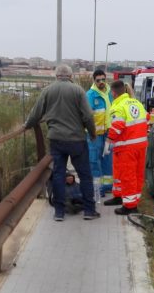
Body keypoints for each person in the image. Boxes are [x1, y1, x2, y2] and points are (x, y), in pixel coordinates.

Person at [25, 64, 100, 221]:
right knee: (85, 175)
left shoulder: (48, 90)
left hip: (56, 140)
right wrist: (92, 133)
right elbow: (87, 116)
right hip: (77, 140)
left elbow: (36, 113)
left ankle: (59, 212)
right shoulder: (78, 91)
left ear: (56, 76)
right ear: (71, 76)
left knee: (58, 174)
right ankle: (89, 210)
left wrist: (27, 125)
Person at [102, 79, 148, 215]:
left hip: (127, 147)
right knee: (134, 174)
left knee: (128, 175)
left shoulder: (117, 107)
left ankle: (129, 206)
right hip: (140, 145)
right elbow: (147, 117)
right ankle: (120, 196)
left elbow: (117, 126)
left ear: (114, 93)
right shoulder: (137, 103)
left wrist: (108, 141)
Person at [86, 69, 113, 200]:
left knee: (107, 159)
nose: (101, 82)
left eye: (103, 79)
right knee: (94, 161)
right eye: (98, 80)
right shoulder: (90, 95)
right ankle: (98, 189)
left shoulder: (109, 93)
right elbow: (87, 115)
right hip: (94, 134)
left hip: (107, 133)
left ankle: (108, 187)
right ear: (94, 81)